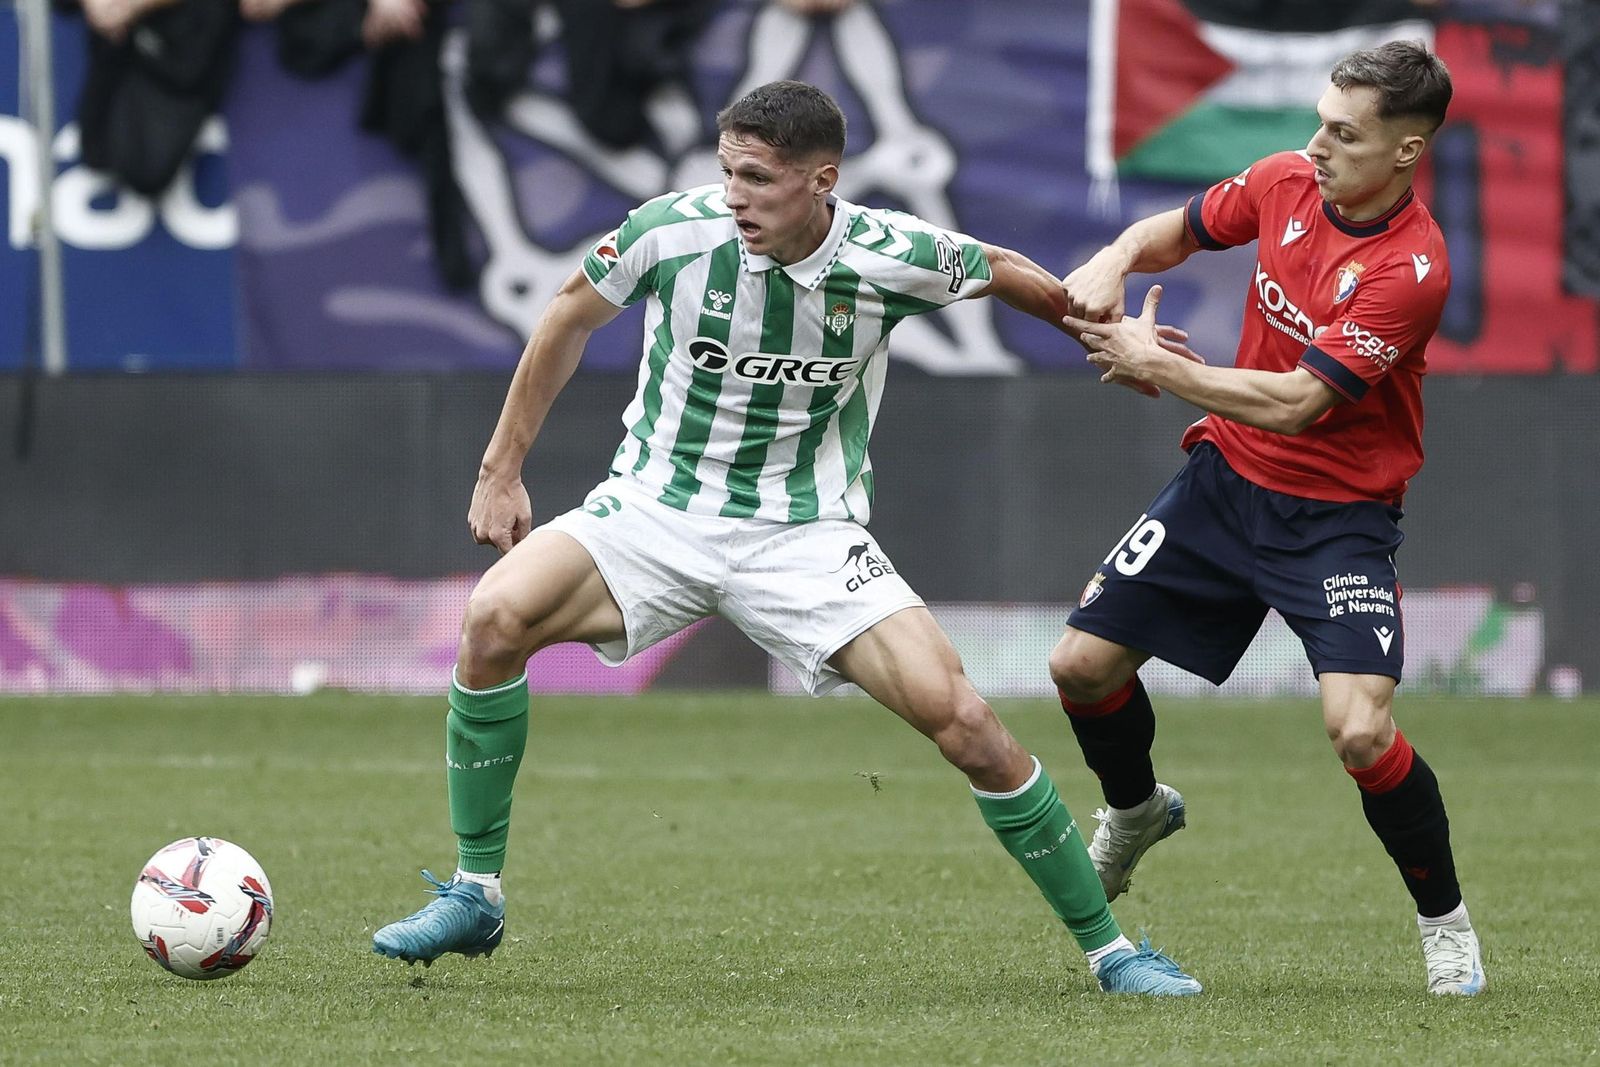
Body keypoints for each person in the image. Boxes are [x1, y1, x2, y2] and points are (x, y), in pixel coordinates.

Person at [371, 79, 1200, 996]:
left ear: (822, 181)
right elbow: (567, 313)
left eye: (758, 179)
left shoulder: (890, 253)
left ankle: (1112, 953)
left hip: (805, 533)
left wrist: (1120, 343)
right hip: (655, 510)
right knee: (493, 619)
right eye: (727, 172)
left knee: (965, 723)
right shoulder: (671, 231)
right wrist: (500, 469)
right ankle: (476, 889)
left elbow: (1003, 268)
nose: (734, 196)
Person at [1052, 41, 1484, 995]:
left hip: (1337, 518)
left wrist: (1160, 366)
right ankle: (1135, 808)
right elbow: (1183, 226)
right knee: (1078, 666)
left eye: (1344, 132)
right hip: (1224, 485)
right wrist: (1114, 253)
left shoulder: (1411, 268)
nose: (1315, 144)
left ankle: (1446, 925)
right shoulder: (1287, 180)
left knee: (1361, 732)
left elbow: (1297, 402)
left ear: (1407, 153)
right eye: (1320, 119)